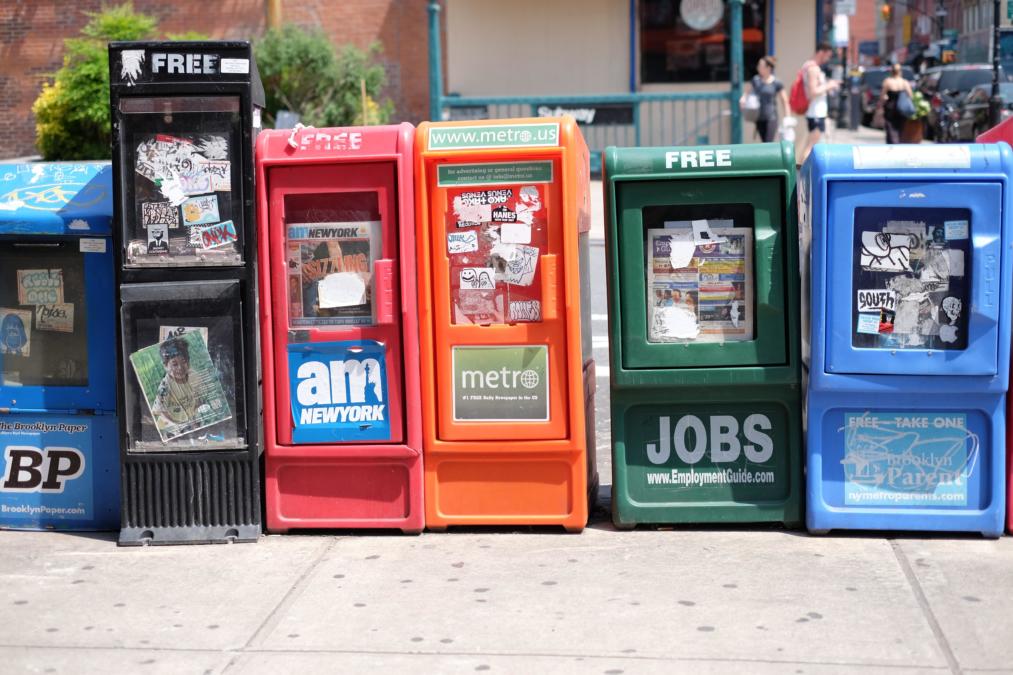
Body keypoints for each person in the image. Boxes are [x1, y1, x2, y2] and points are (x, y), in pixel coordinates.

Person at [800, 43, 839, 163]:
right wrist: (829, 85)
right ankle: (800, 175)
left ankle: (801, 175)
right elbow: (813, 92)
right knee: (811, 146)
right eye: (828, 56)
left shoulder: (811, 66)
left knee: (812, 145)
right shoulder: (813, 68)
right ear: (821, 52)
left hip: (817, 112)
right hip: (815, 113)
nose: (828, 59)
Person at [741, 55, 789, 142]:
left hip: (771, 117)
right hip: (759, 117)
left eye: (761, 66)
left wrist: (787, 117)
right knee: (764, 141)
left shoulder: (776, 82)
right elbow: (746, 93)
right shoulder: (756, 80)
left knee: (768, 141)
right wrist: (743, 99)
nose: (758, 68)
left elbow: (784, 101)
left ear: (768, 68)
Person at [880, 63, 914, 144]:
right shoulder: (904, 82)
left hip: (890, 107)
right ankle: (898, 142)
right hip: (901, 108)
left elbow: (882, 95)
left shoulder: (888, 81)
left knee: (890, 127)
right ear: (900, 71)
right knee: (900, 127)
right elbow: (910, 95)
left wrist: (883, 100)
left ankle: (893, 143)